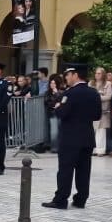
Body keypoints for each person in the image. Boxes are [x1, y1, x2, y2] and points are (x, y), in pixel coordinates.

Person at [42, 65, 102, 209]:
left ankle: (60, 200)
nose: (66, 78)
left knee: (65, 170)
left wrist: (58, 107)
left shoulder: (70, 93)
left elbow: (62, 113)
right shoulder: (93, 92)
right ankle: (81, 199)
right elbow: (97, 115)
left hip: (70, 138)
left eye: (68, 75)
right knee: (83, 171)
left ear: (75, 75)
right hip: (87, 138)